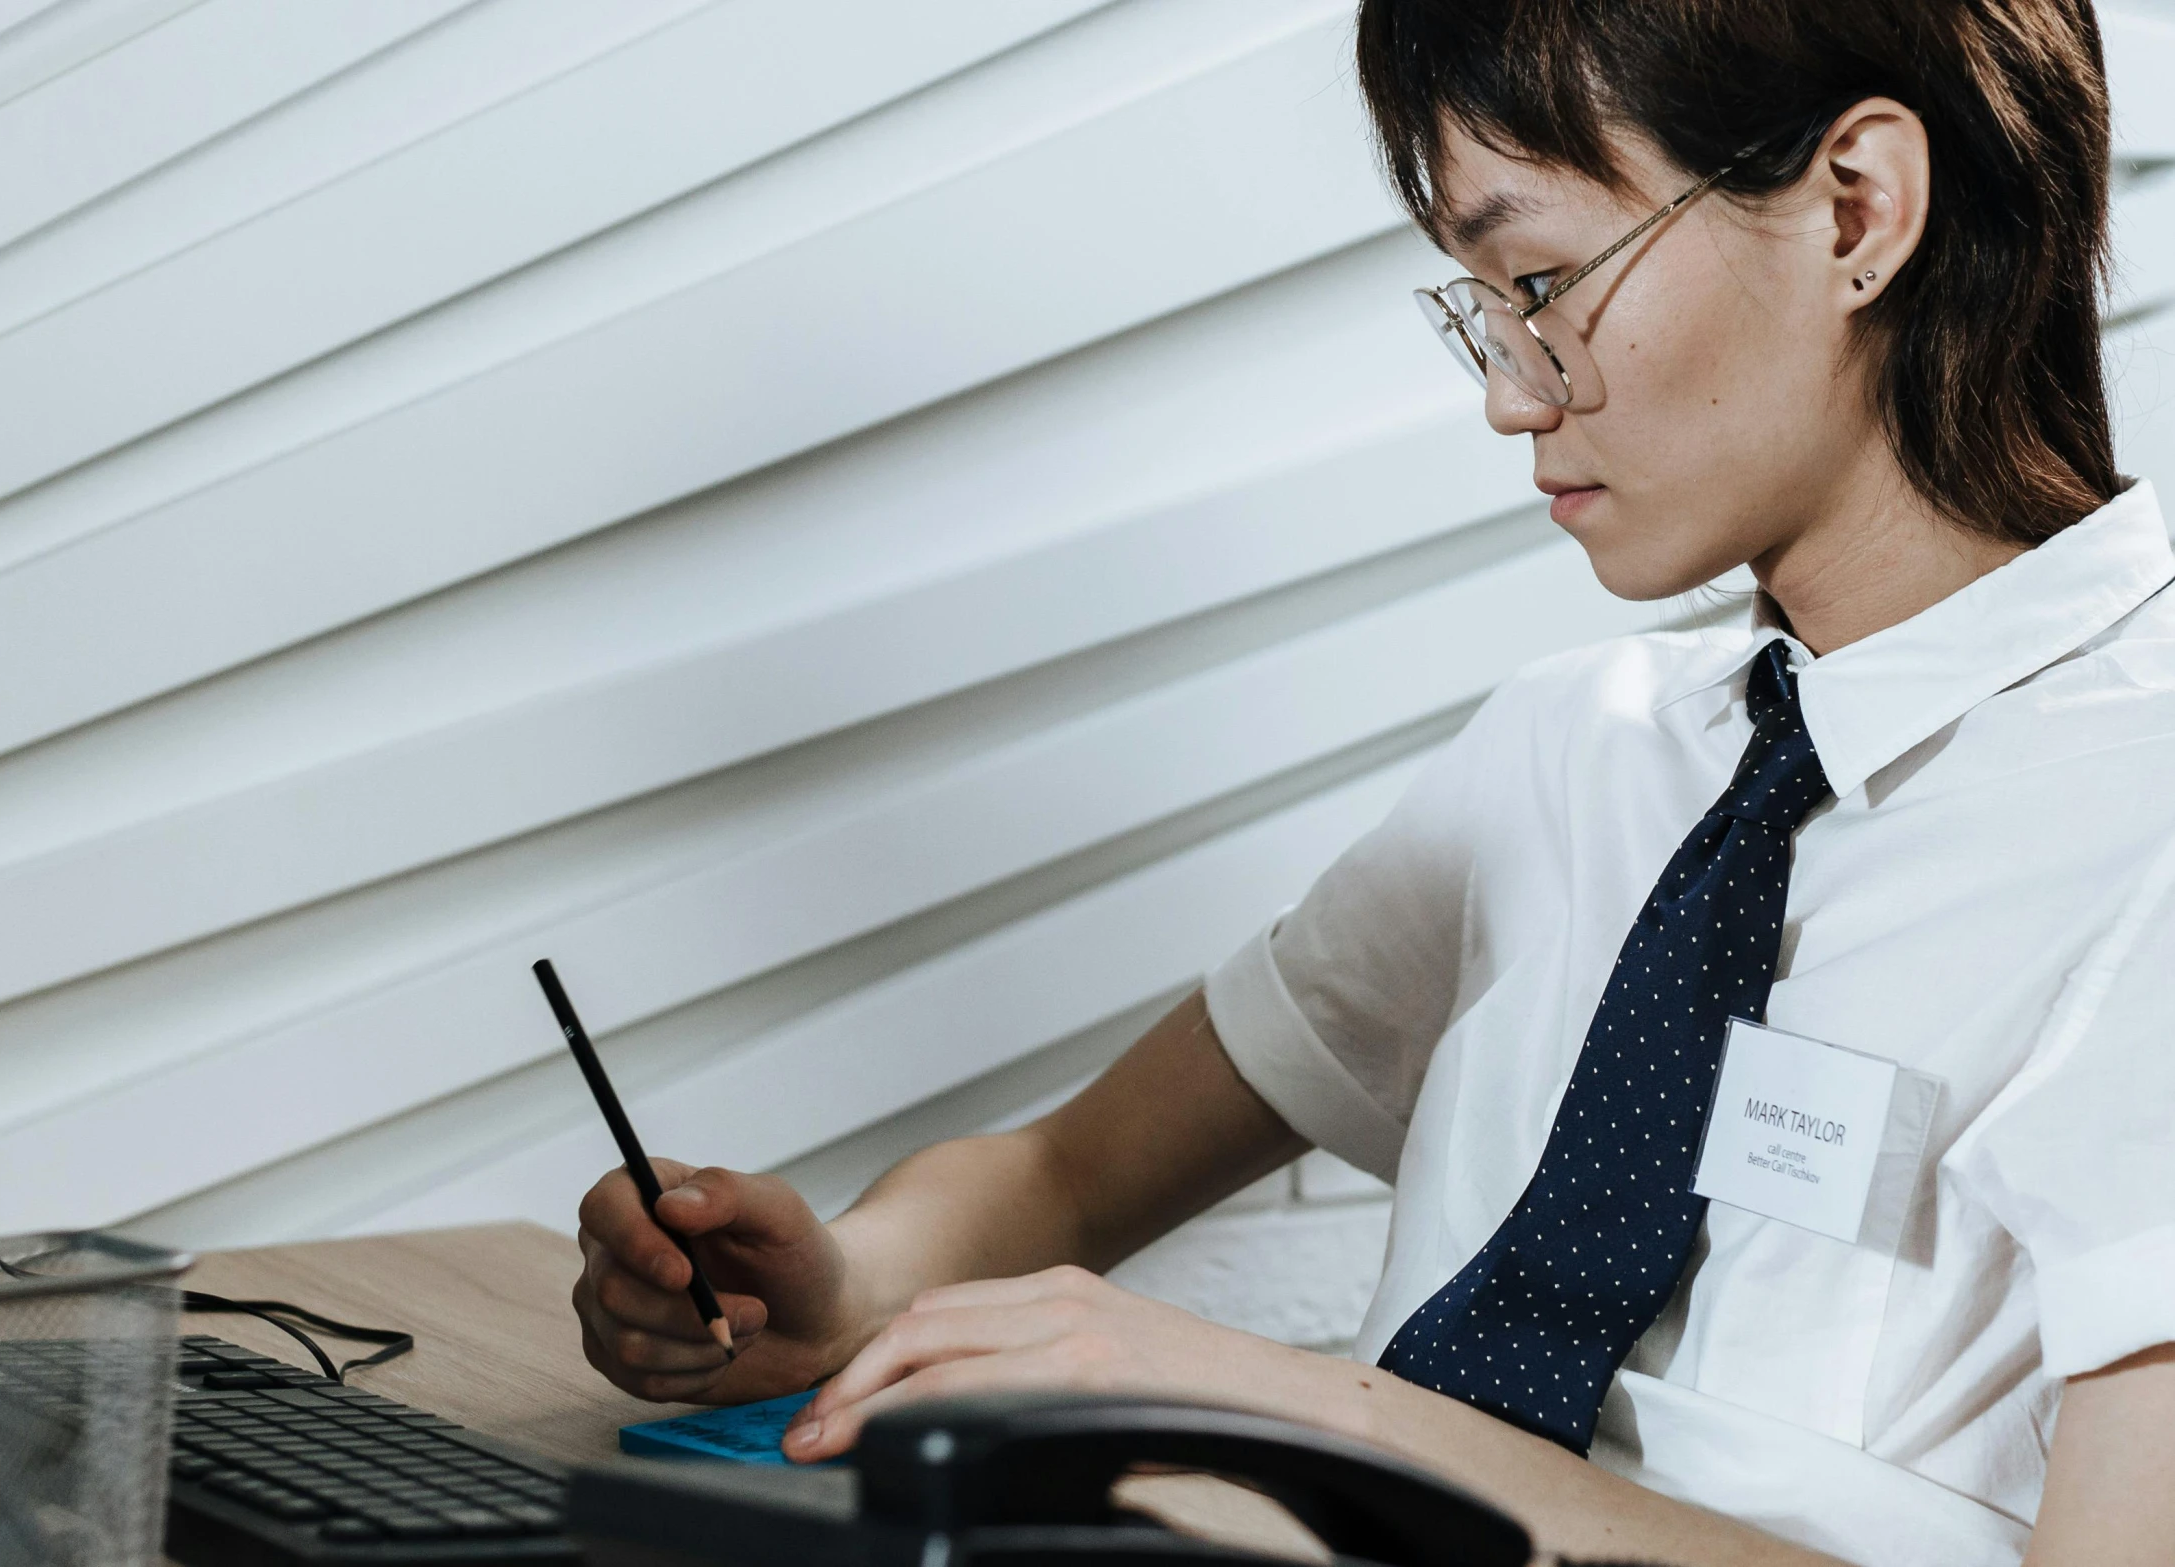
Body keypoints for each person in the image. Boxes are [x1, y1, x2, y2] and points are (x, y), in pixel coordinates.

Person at [572, 1, 2175, 1561]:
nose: (1508, 390)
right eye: (1480, 303)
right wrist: (836, 1293)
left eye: (1545, 278)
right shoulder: (1573, 751)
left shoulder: (2142, 832)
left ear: (1854, 210)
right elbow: (1064, 1172)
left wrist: (1308, 1412)